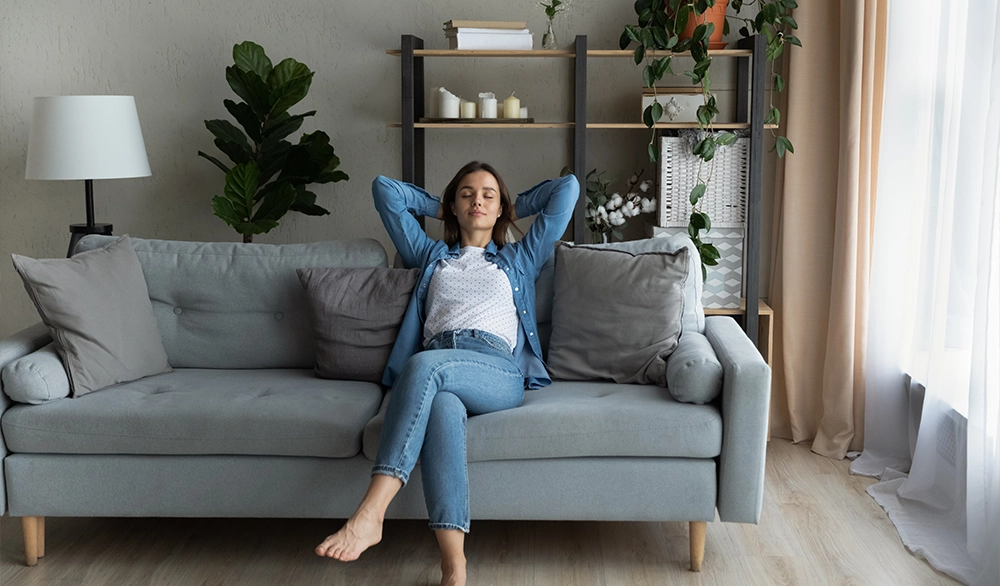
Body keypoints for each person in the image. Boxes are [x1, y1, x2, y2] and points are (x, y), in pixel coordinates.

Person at [314, 161, 579, 586]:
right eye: (467, 194)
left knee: (423, 365)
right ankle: (454, 565)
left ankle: (371, 513)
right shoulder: (431, 256)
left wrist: (512, 207)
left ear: (500, 208)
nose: (477, 201)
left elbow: (567, 189)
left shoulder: (520, 257)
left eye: (488, 195)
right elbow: (385, 191)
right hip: (440, 367)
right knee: (442, 410)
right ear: (454, 206)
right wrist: (439, 206)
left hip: (495, 370)